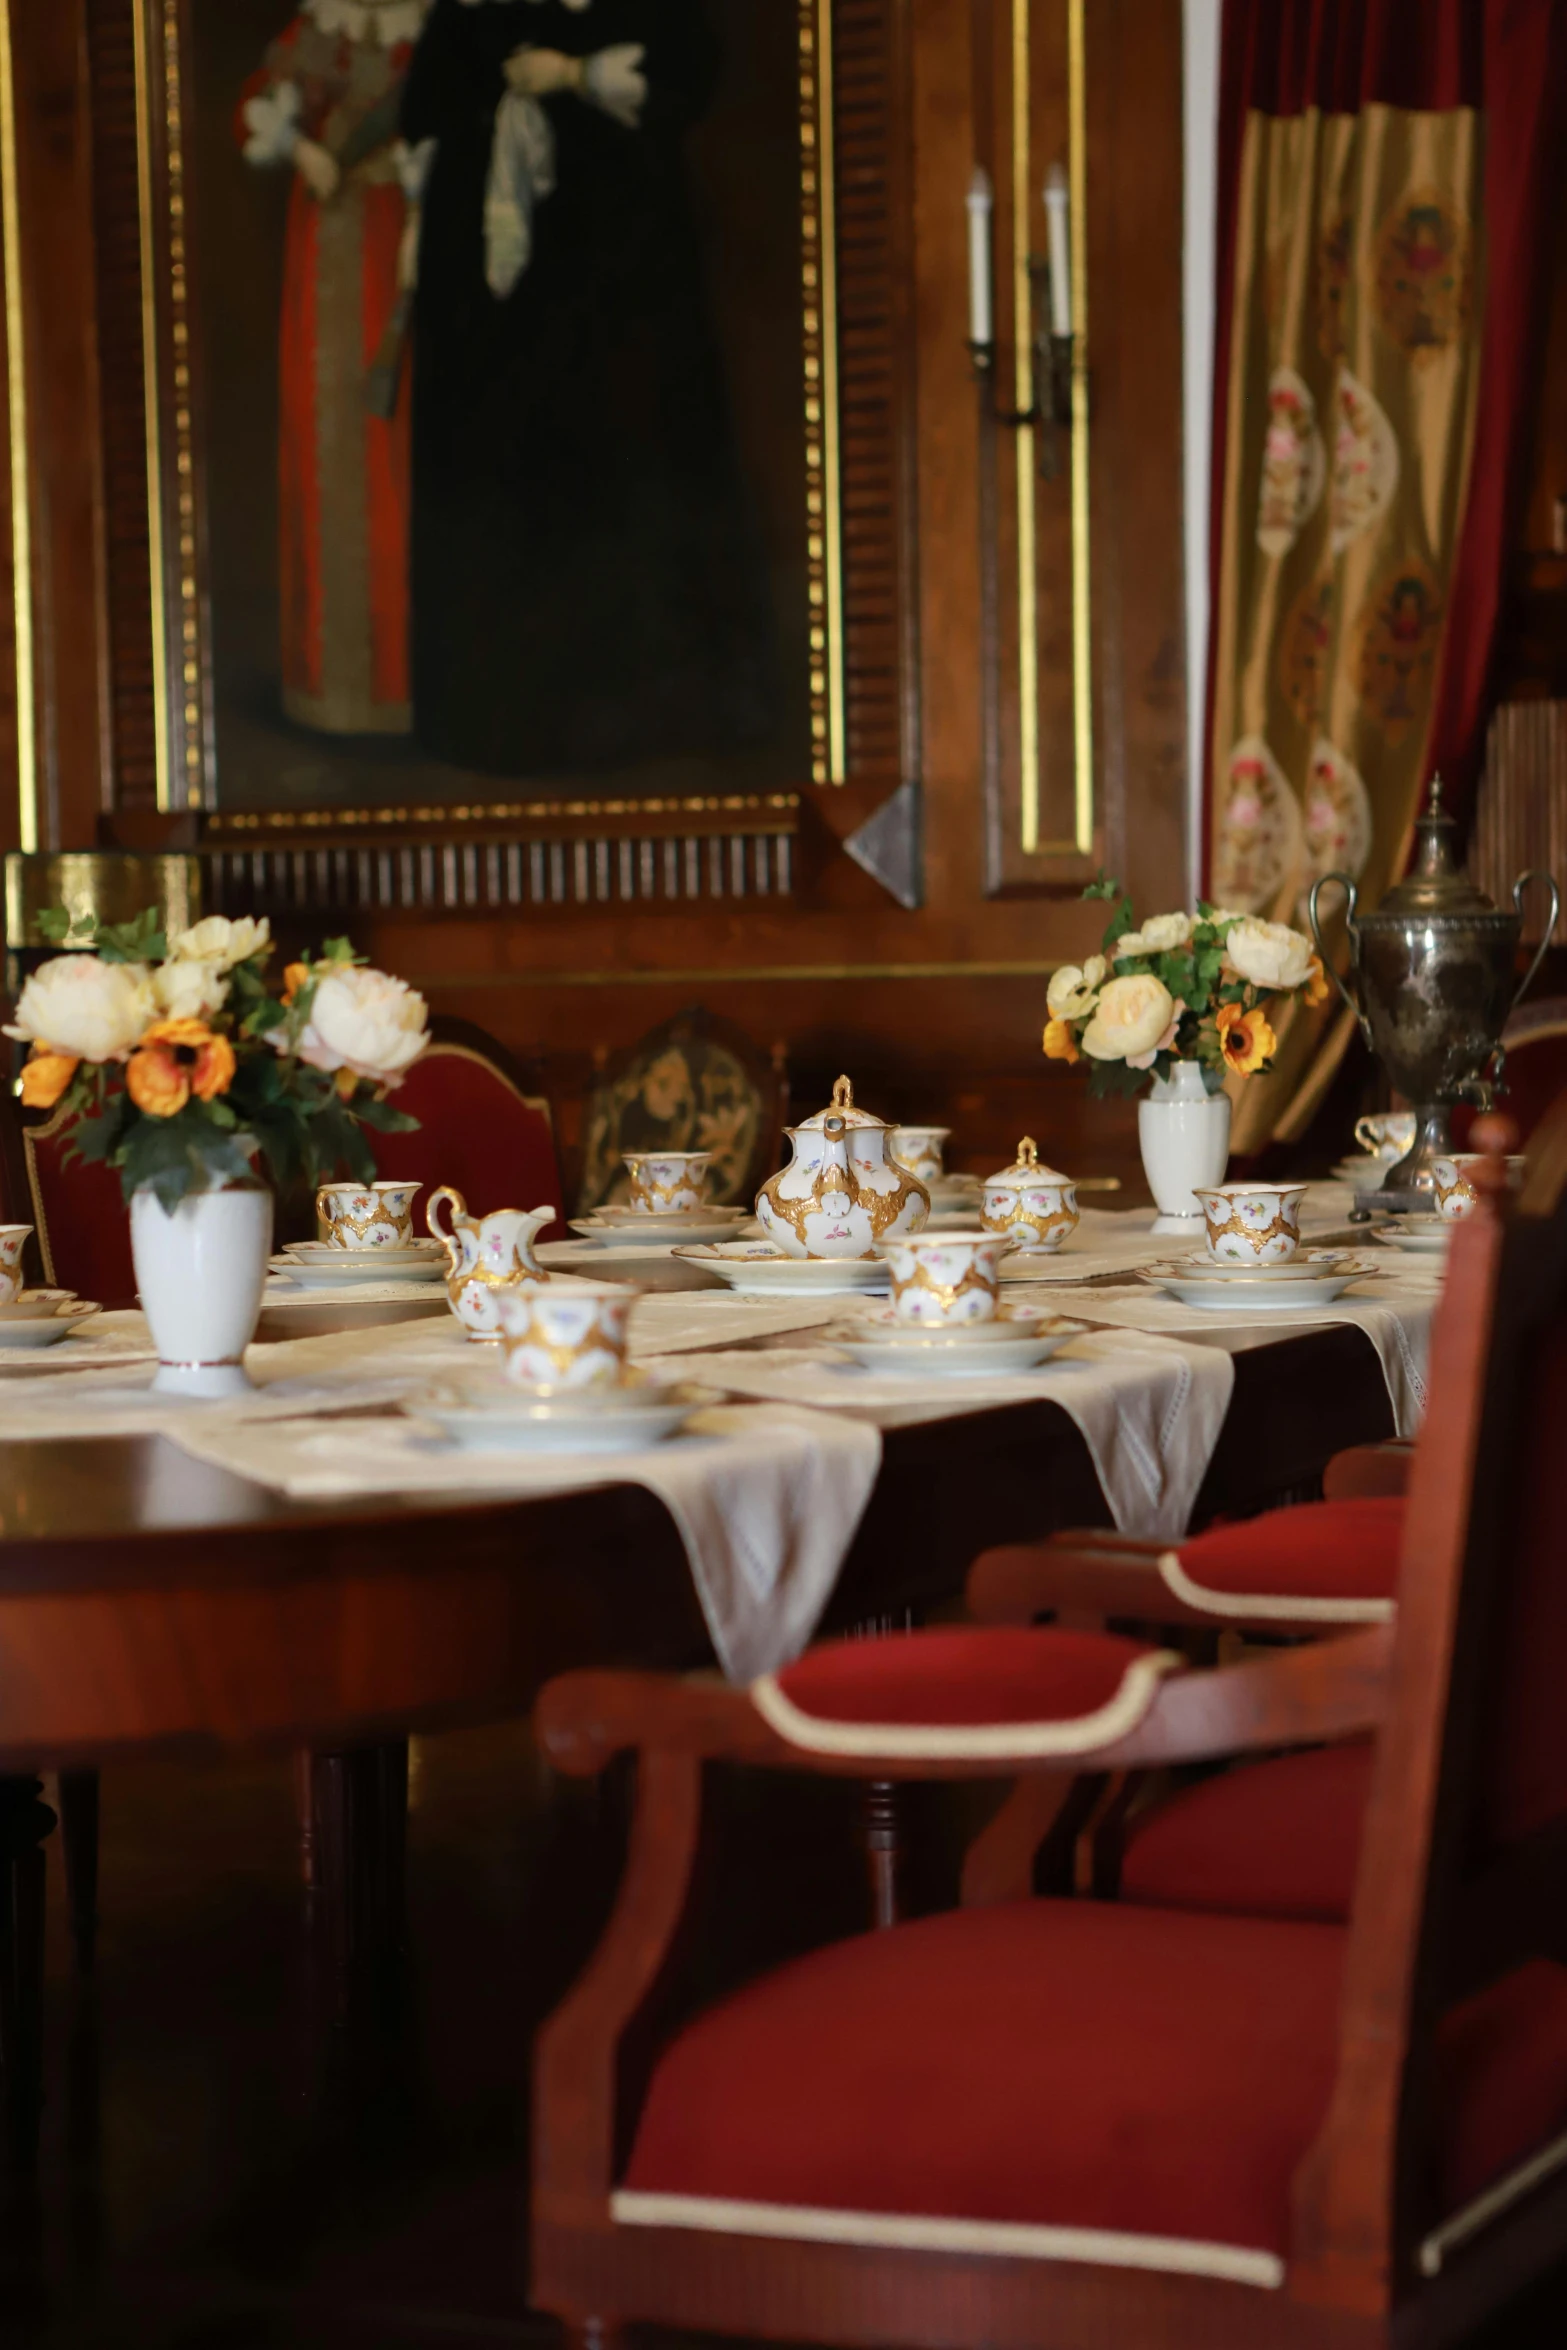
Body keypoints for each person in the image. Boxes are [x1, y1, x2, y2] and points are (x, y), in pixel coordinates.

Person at [400, 0, 778, 776]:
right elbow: (424, 110)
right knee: (505, 490)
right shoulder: (470, 14)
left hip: (621, 283)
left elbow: (687, 79)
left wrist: (570, 74)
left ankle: (651, 713)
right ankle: (496, 716)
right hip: (494, 313)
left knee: (628, 475)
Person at [238, 0, 431, 737]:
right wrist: (301, 149)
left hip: (404, 238)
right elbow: (254, 105)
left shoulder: (432, 26)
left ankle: (408, 687)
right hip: (325, 243)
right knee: (328, 446)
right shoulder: (324, 26)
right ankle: (334, 688)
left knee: (401, 452)